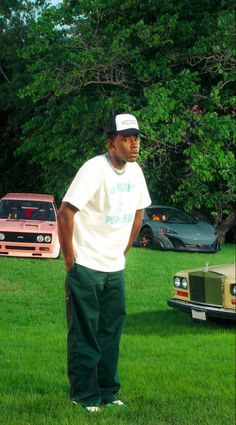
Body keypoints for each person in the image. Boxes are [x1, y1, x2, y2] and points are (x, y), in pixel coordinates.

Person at [57, 113, 151, 413]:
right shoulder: (94, 170)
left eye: (136, 138)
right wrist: (71, 257)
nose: (133, 144)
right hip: (86, 266)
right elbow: (65, 212)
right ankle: (84, 396)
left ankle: (108, 392)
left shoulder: (135, 172)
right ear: (111, 143)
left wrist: (122, 250)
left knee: (111, 333)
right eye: (126, 139)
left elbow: (139, 213)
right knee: (85, 333)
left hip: (114, 268)